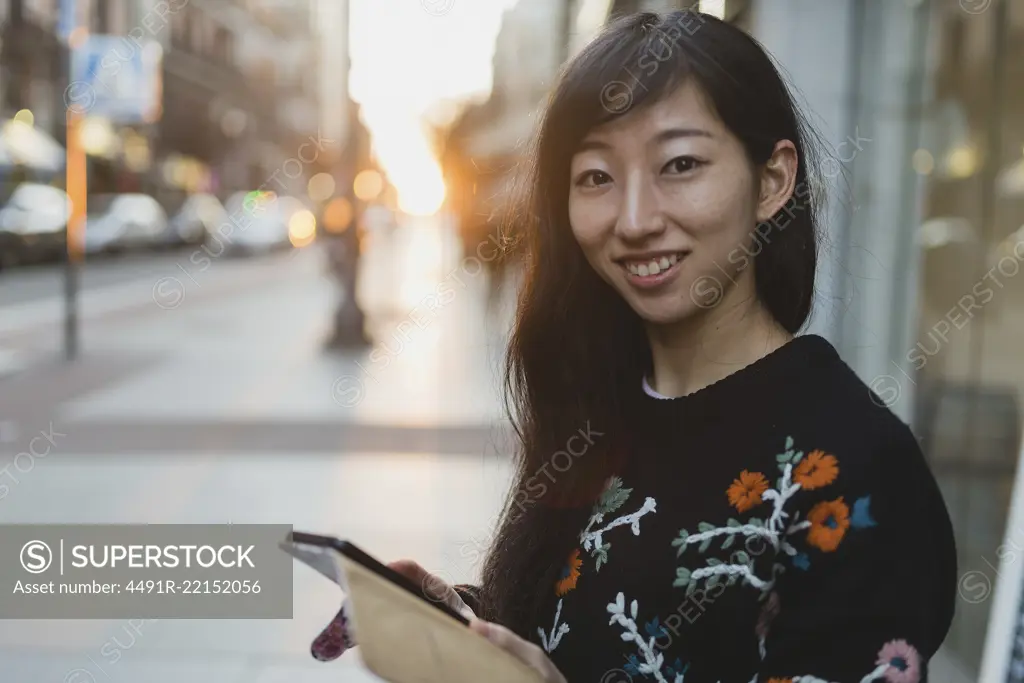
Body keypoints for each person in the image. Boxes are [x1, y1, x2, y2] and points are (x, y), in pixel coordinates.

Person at [310, 10, 958, 682]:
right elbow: (596, 640)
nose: (636, 219)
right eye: (596, 176)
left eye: (680, 164)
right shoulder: (598, 411)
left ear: (772, 181)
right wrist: (464, 623)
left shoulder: (858, 464)